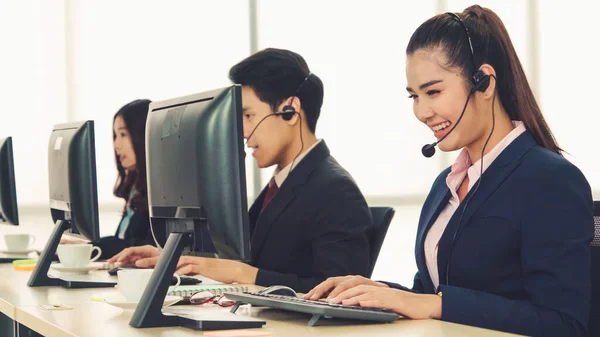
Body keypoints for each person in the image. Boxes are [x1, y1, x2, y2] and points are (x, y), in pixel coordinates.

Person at [304, 5, 593, 337]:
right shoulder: (447, 185)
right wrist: (372, 291)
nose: (422, 112)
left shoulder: (551, 180)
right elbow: (428, 293)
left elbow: (563, 323)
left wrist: (436, 304)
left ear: (483, 83)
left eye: (433, 92)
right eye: (414, 96)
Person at [108, 48, 373, 293]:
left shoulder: (335, 190)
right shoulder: (283, 183)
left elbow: (339, 291)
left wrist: (243, 273)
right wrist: (170, 257)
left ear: (290, 111)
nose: (243, 132)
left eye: (248, 116)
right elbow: (246, 258)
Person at [63, 99, 164, 259]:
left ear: (144, 134)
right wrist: (87, 247)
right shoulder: (136, 187)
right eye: (116, 135)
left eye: (123, 134)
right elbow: (124, 242)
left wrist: (93, 247)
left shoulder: (161, 190)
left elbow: (143, 246)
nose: (116, 144)